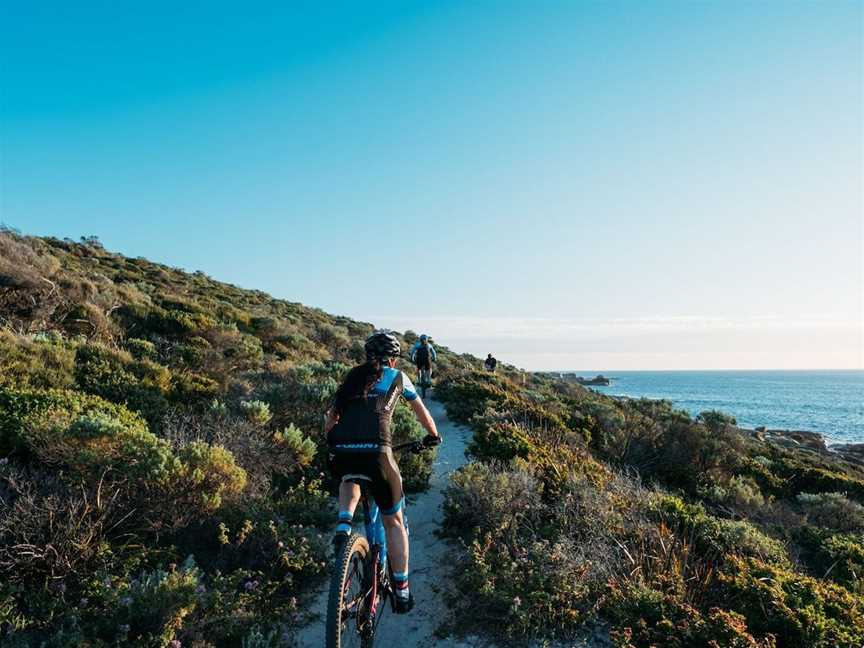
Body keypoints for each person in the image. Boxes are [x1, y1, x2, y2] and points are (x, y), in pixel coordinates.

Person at [324, 330, 441, 614]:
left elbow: (330, 417)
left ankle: (343, 524)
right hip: (379, 455)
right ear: (393, 359)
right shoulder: (398, 377)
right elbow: (421, 412)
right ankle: (402, 591)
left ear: (367, 355)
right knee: (395, 523)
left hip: (342, 449)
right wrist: (433, 435)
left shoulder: (352, 376)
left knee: (350, 474)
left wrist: (331, 439)